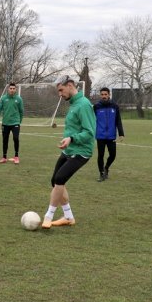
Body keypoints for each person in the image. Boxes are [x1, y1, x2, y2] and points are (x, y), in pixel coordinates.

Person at [41, 76, 96, 229]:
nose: (60, 94)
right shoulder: (73, 104)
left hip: (82, 151)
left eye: (61, 90)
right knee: (56, 181)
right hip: (70, 150)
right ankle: (68, 217)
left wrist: (72, 138)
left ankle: (48, 216)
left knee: (59, 179)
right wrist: (68, 141)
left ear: (70, 85)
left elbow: (90, 133)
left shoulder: (84, 105)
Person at [94, 87, 125, 182]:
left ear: (109, 95)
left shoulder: (115, 106)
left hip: (111, 135)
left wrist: (121, 133)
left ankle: (106, 167)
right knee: (101, 155)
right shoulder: (96, 107)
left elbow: (118, 120)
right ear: (100, 95)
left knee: (113, 155)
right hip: (100, 135)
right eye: (102, 94)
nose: (104, 96)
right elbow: (91, 120)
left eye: (105, 94)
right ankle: (101, 174)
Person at [0, 82, 24, 164]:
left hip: (15, 123)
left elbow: (21, 111)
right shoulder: (3, 98)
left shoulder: (19, 99)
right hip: (5, 123)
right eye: (10, 88)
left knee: (16, 138)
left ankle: (16, 157)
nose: (12, 90)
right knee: (5, 140)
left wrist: (19, 121)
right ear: (8, 89)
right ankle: (4, 157)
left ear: (15, 90)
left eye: (13, 89)